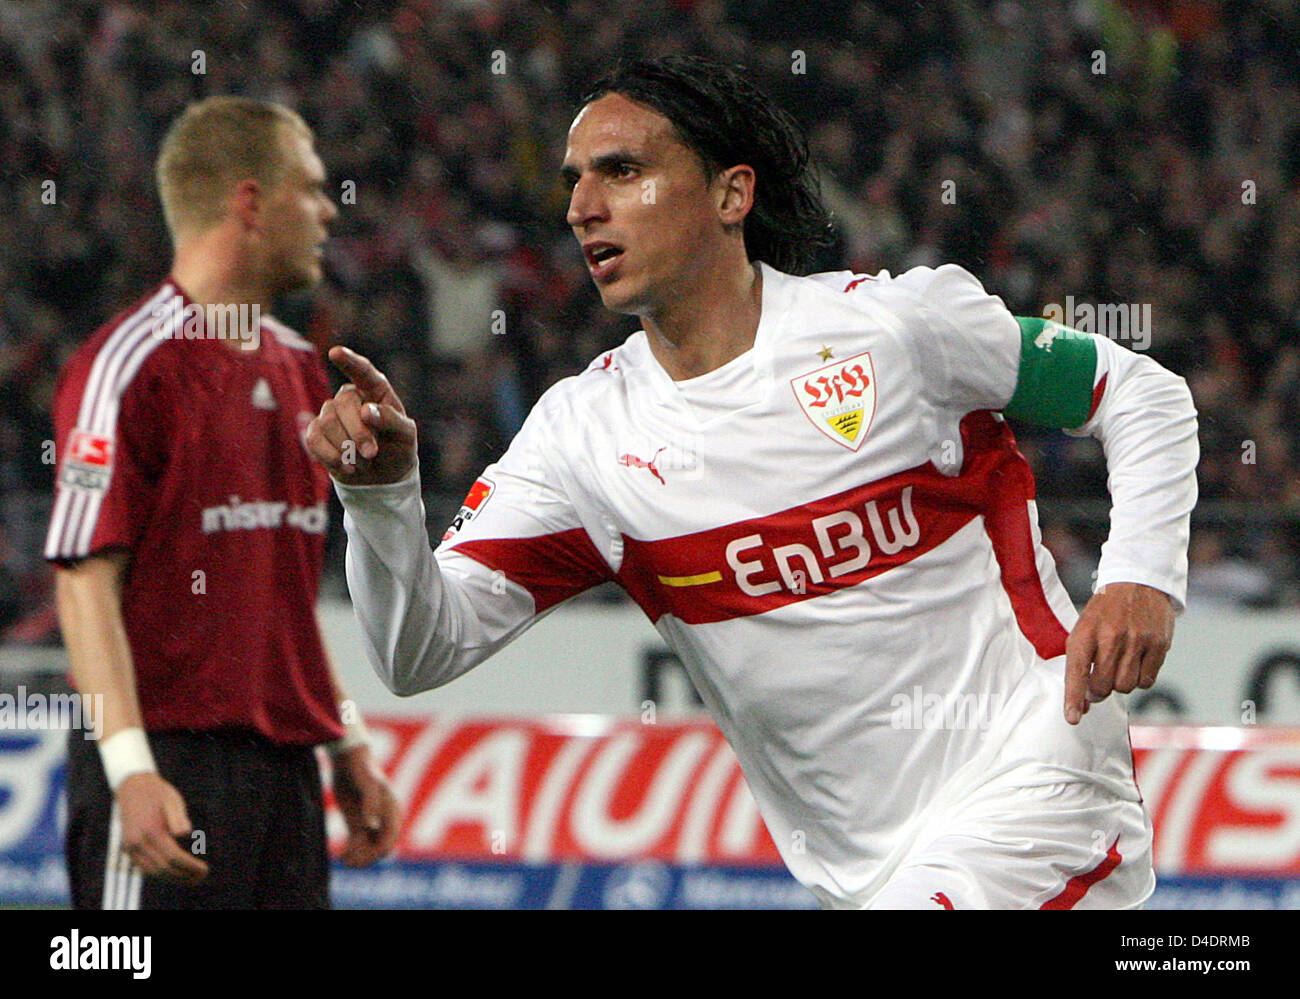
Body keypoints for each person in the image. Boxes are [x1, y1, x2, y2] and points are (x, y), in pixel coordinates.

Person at [307, 57, 1198, 909]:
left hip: (1040, 780)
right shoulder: (583, 439)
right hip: (869, 873)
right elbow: (418, 652)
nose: (581, 206)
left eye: (621, 170)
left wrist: (1141, 574)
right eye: (575, 180)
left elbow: (1138, 390)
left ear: (732, 194)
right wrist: (382, 495)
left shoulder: (896, 328)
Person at [46, 96, 398, 909]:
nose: (326, 213)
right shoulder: (129, 365)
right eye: (311, 189)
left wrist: (346, 743)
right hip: (164, 765)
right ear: (249, 201)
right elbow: (82, 582)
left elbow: (281, 592)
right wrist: (130, 769)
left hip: (284, 775)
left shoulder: (301, 368)